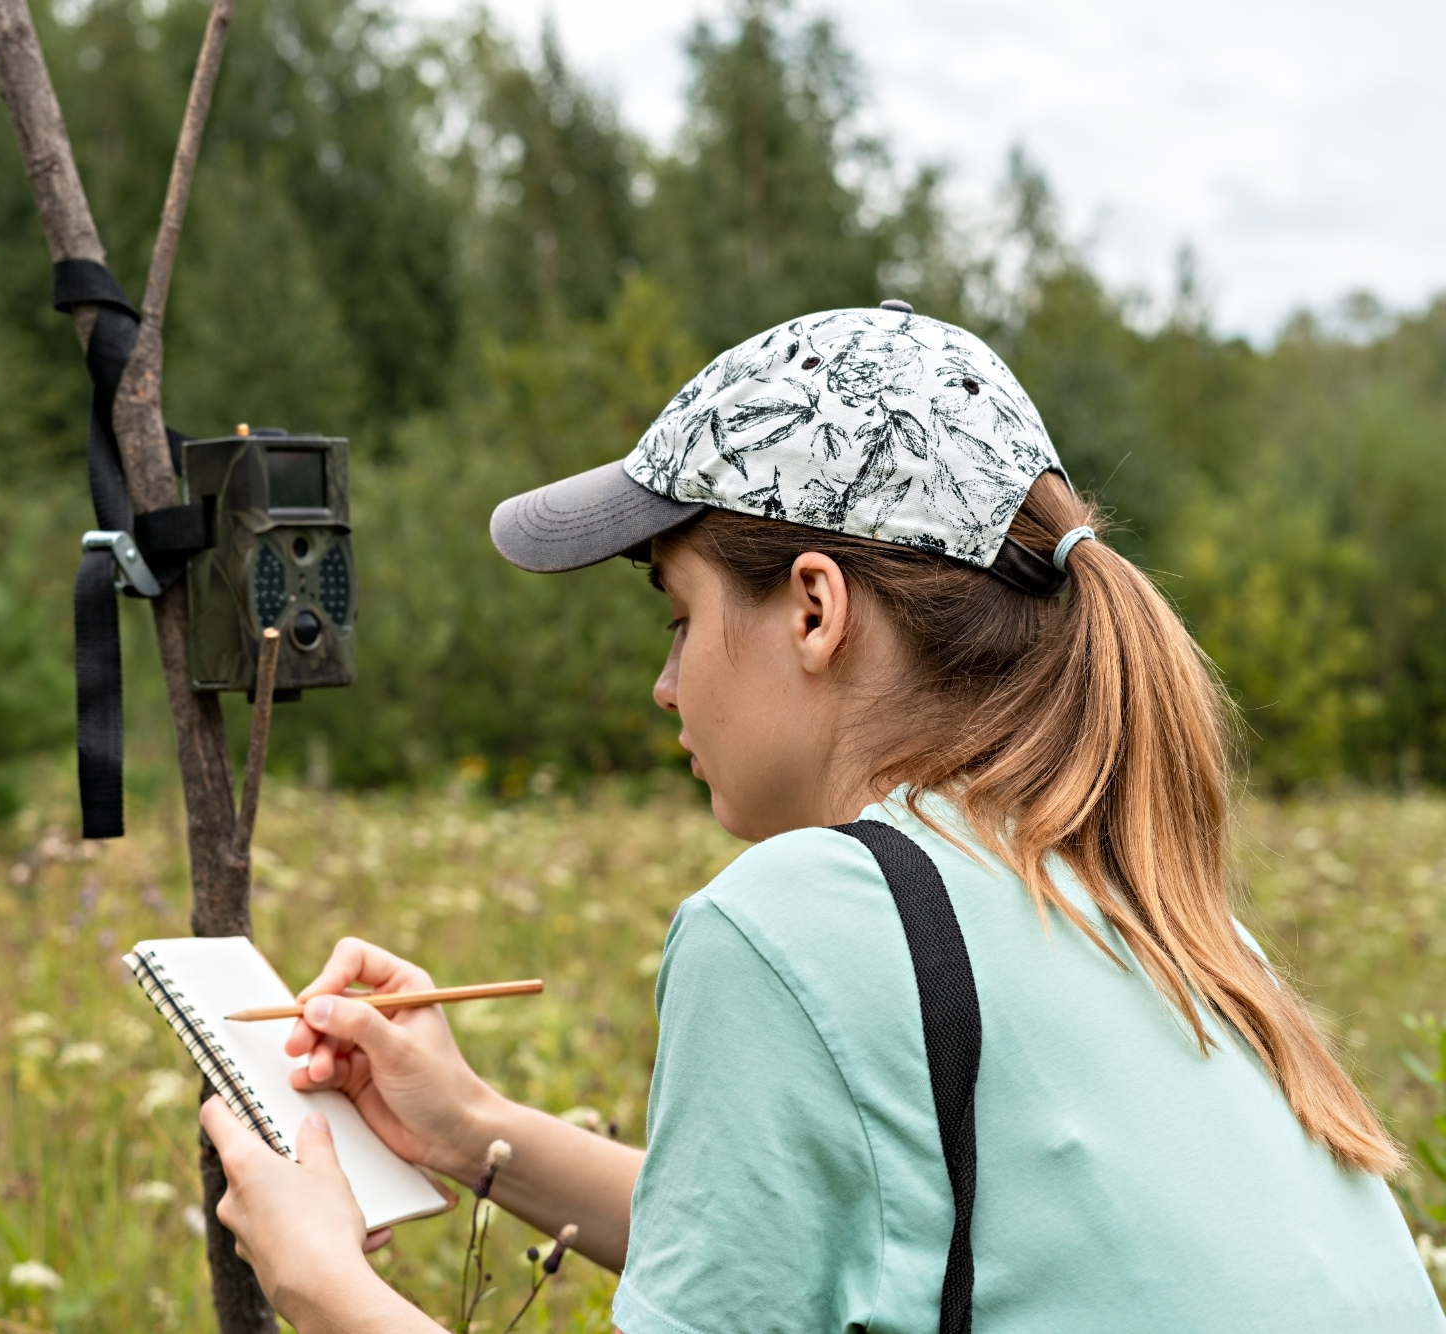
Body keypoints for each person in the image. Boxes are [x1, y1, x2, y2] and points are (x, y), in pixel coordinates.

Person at [200, 304, 1446, 1331]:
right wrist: (473, 1131)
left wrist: (323, 1282)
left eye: (676, 615)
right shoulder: (1160, 914)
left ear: (812, 608)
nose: (666, 682)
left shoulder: (797, 918)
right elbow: (800, 1242)